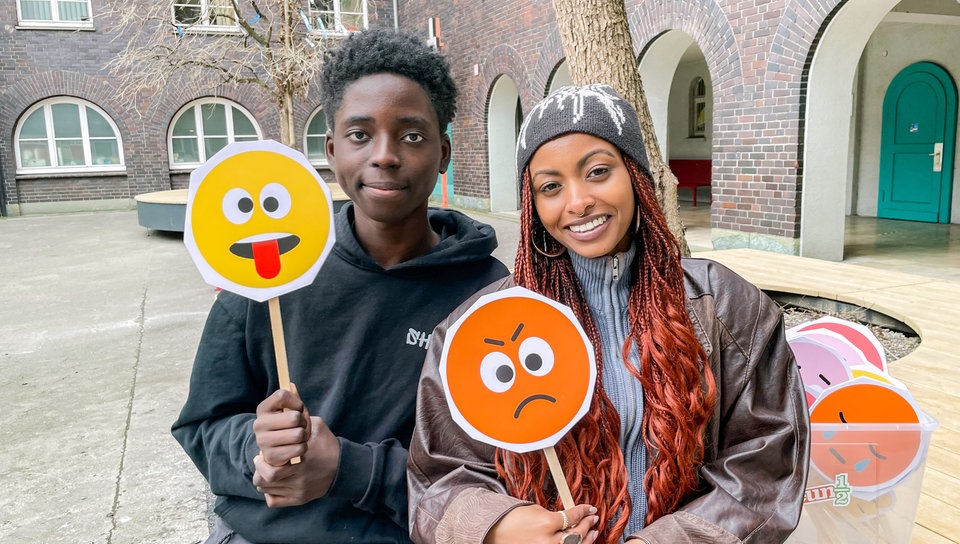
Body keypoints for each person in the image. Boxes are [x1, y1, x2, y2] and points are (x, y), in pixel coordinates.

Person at [407, 84, 809, 544]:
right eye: (551, 186)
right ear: (533, 205)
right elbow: (438, 478)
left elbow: (767, 458)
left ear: (635, 175)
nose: (577, 202)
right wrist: (497, 527)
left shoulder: (724, 307)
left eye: (597, 171)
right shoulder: (480, 328)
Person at [172, 29, 509, 544]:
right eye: (359, 135)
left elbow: (492, 470)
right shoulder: (271, 266)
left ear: (443, 153)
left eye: (412, 136)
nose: (385, 155)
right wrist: (257, 451)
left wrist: (350, 470)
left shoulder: (487, 295)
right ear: (331, 150)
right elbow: (203, 425)